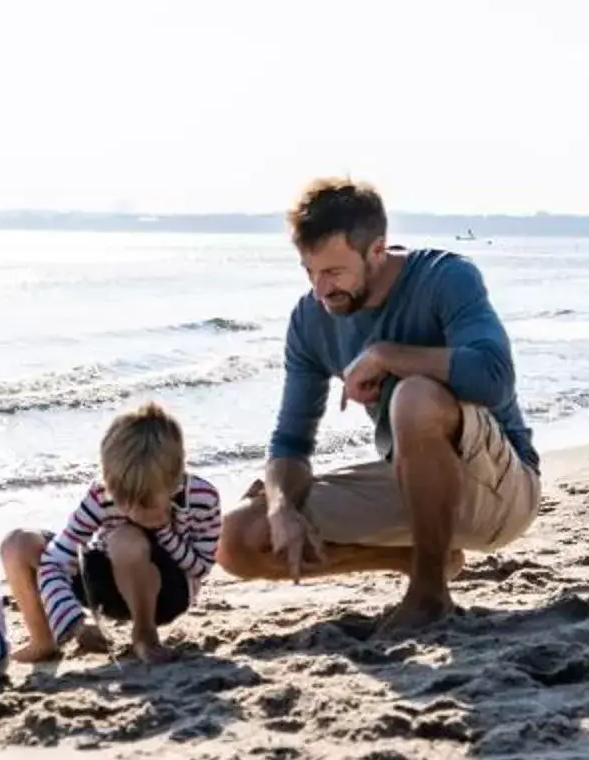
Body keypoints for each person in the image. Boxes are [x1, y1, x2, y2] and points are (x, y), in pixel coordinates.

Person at [218, 177, 540, 640]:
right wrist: (282, 506)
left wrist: (387, 355)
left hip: (501, 491)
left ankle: (429, 595)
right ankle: (416, 562)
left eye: (333, 272)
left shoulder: (446, 279)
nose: (321, 290)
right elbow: (290, 441)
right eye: (310, 273)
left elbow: (494, 376)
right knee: (241, 537)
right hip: (414, 487)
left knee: (414, 397)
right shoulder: (311, 321)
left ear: (377, 250)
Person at [2, 403, 222, 665]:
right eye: (122, 498)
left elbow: (201, 568)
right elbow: (56, 559)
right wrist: (74, 623)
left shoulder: (202, 497)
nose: (130, 509)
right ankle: (43, 639)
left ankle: (144, 633)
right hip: (107, 584)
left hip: (167, 592)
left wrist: (164, 531)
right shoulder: (102, 494)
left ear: (174, 480)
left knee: (126, 537)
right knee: (18, 544)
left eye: (143, 501)